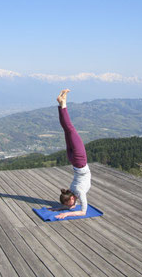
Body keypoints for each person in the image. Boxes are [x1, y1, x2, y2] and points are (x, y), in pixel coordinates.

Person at [50, 89, 91, 219]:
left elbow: (76, 209)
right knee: (68, 130)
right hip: (74, 160)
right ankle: (62, 103)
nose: (71, 205)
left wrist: (64, 211)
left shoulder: (75, 192)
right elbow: (82, 211)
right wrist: (62, 209)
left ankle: (63, 104)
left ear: (71, 197)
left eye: (69, 203)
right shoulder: (76, 192)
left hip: (79, 161)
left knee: (69, 129)